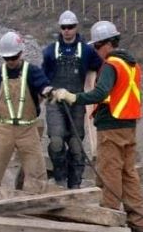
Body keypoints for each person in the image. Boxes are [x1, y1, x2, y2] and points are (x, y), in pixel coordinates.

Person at [53, 21, 143, 232]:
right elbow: (125, 94)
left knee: (109, 172)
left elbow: (100, 93)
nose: (96, 51)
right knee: (128, 173)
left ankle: (108, 216)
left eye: (96, 47)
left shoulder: (111, 64)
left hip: (112, 127)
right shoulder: (132, 65)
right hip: (128, 125)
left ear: (106, 44)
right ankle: (139, 222)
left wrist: (71, 97)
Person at [0, 32, 52, 193]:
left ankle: (37, 205)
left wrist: (49, 90)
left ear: (21, 53)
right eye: (7, 58)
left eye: (14, 57)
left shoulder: (32, 71)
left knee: (36, 173)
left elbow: (43, 84)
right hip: (4, 130)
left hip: (28, 131)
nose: (11, 61)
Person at [42, 10, 102, 189]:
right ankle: (59, 178)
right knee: (57, 141)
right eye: (64, 27)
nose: (67, 30)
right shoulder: (50, 51)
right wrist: (48, 92)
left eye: (71, 27)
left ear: (76, 28)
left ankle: (75, 183)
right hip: (55, 103)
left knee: (76, 146)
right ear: (60, 29)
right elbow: (42, 77)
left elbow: (98, 69)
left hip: (77, 102)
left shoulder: (87, 51)